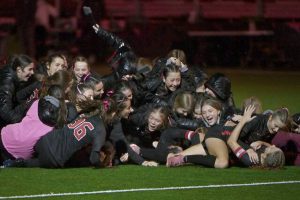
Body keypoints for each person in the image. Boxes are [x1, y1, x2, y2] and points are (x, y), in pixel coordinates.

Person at [0, 85, 67, 163]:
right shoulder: (59, 122)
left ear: (48, 95)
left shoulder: (36, 102)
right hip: (22, 155)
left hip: (7, 137)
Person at [0, 54, 36, 128]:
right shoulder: (7, 83)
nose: (33, 73)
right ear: (19, 70)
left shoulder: (13, 77)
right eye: (30, 69)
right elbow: (6, 113)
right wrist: (25, 121)